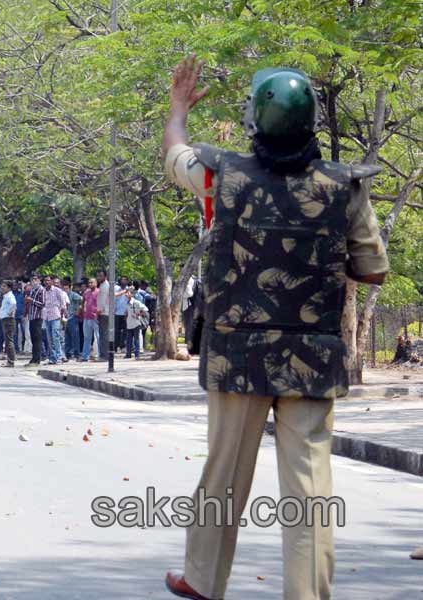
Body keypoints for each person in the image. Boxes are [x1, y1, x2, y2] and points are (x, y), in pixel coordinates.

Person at [161, 56, 390, 600]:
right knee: (309, 486)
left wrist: (177, 108)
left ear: (255, 121)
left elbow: (173, 154)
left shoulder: (222, 174)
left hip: (238, 355)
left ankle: (203, 579)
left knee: (225, 473)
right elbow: (374, 268)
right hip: (312, 357)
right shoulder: (344, 187)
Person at [41, 275, 66, 365]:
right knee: (50, 338)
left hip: (55, 316)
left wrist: (62, 314)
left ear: (51, 281)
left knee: (56, 336)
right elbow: (43, 303)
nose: (47, 282)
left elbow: (63, 304)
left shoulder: (57, 291)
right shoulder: (43, 291)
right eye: (45, 281)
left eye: (48, 280)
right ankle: (53, 357)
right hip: (47, 317)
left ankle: (59, 356)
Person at [24, 275, 45, 366]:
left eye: (35, 279)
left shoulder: (42, 290)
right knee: (33, 338)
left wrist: (32, 300)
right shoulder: (32, 290)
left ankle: (37, 359)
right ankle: (33, 358)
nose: (33, 281)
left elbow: (43, 304)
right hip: (31, 317)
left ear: (39, 280)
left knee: (37, 339)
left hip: (38, 317)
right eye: (32, 280)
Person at [124, 286, 149, 359]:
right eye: (126, 293)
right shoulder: (127, 303)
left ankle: (137, 354)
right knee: (128, 340)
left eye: (128, 293)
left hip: (136, 323)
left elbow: (145, 309)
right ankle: (128, 354)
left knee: (136, 339)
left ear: (132, 294)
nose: (126, 294)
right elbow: (127, 312)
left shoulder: (136, 302)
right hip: (129, 323)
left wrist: (139, 314)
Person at [0, 280, 17, 367]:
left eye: (4, 286)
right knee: (7, 340)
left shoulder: (10, 296)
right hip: (5, 319)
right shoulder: (6, 296)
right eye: (2, 286)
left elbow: (14, 304)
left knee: (9, 341)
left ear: (9, 288)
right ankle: (10, 360)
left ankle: (11, 361)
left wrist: (10, 312)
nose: (2, 288)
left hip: (8, 320)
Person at [80, 278, 99, 362]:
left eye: (92, 282)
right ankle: (85, 356)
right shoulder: (86, 292)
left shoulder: (99, 292)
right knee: (87, 337)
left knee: (98, 337)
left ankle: (100, 354)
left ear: (96, 283)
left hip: (96, 317)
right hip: (86, 317)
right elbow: (83, 301)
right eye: (89, 283)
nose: (90, 284)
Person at [95, 270, 111, 361]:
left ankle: (105, 356)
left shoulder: (105, 286)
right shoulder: (101, 285)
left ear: (105, 276)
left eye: (101, 276)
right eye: (98, 276)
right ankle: (103, 354)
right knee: (102, 334)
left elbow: (103, 300)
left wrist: (99, 311)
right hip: (102, 312)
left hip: (104, 313)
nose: (99, 278)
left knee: (104, 335)